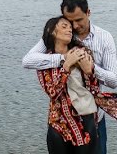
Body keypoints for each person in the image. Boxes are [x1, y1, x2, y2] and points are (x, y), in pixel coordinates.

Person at [23, 0, 117, 154]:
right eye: (69, 21)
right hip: (62, 122)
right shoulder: (59, 34)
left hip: (92, 118)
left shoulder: (104, 38)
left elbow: (113, 80)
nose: (73, 27)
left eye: (78, 20)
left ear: (88, 13)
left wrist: (92, 69)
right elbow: (27, 61)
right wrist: (64, 59)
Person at [37, 16, 100, 152]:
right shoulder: (44, 60)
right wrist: (66, 67)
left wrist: (89, 72)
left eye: (70, 28)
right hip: (59, 123)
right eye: (64, 26)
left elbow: (94, 89)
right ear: (52, 31)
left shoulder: (82, 53)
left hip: (85, 120)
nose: (69, 30)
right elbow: (52, 92)